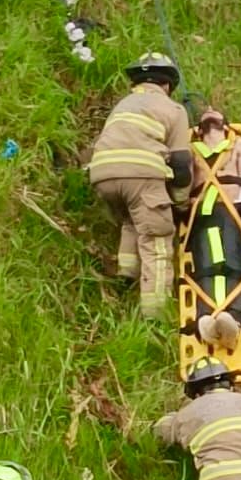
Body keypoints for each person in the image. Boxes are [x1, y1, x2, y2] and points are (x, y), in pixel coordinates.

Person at [87, 52, 192, 319]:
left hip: (103, 174)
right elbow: (181, 164)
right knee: (156, 240)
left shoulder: (123, 105)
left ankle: (125, 275)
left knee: (131, 221)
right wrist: (180, 202)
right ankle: (155, 315)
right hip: (141, 175)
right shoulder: (174, 110)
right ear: (167, 85)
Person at [187, 109, 241, 349]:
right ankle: (206, 314)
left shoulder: (236, 146)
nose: (209, 113)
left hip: (231, 209)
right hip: (202, 211)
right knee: (206, 265)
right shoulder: (192, 151)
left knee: (230, 263)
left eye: (215, 114)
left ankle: (233, 315)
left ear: (225, 127)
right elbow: (185, 179)